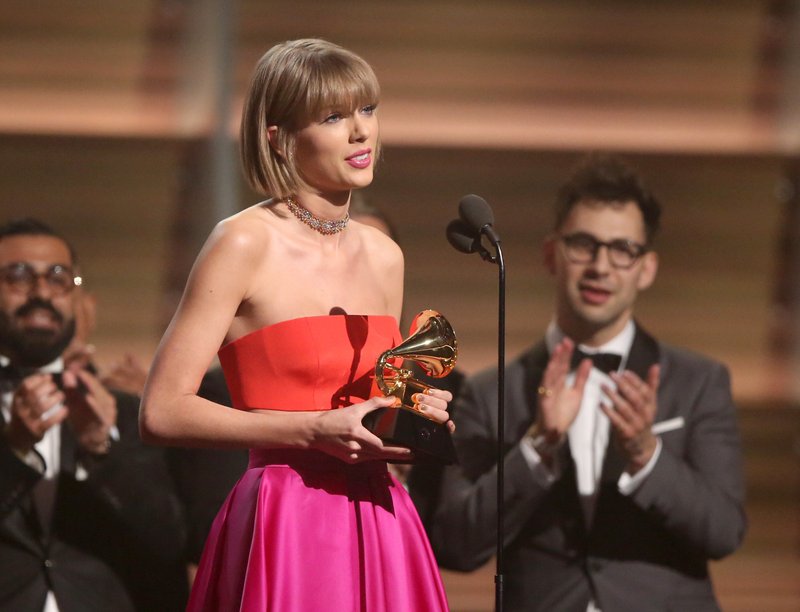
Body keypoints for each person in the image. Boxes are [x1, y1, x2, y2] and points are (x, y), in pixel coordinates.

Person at [139, 38, 453, 611]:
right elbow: (161, 410)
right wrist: (310, 430)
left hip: (380, 520)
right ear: (278, 136)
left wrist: (412, 420)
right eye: (334, 117)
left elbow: (372, 411)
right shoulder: (242, 242)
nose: (361, 132)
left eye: (367, 110)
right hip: (287, 517)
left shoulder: (386, 256)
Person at [428, 154, 747, 611]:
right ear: (550, 254)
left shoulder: (699, 382)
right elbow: (455, 545)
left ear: (647, 268)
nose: (601, 266)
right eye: (583, 244)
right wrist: (536, 448)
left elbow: (724, 531)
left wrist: (646, 454)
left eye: (623, 250)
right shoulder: (490, 391)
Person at [0, 218, 188, 612]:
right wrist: (14, 450)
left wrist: (101, 449)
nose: (41, 292)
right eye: (18, 276)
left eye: (58, 278)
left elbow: (167, 544)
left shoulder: (123, 409)